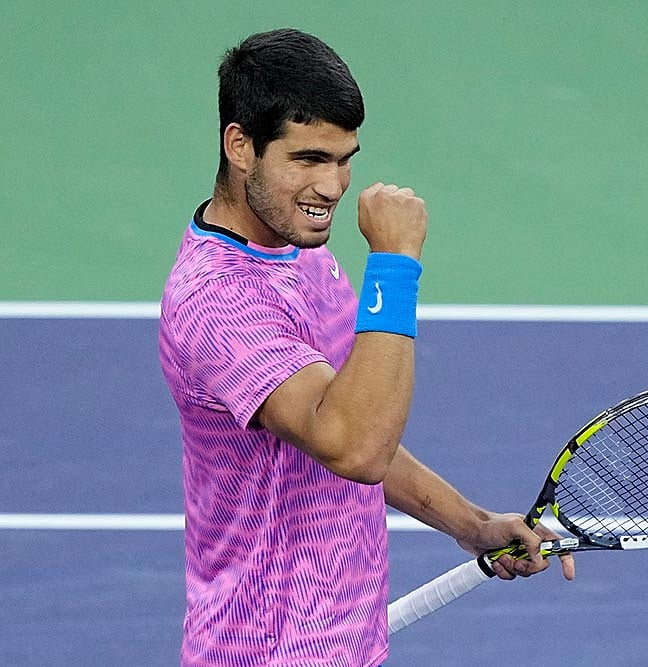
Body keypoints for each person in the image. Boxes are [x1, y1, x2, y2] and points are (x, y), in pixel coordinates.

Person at [158, 28, 573, 667]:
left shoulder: (294, 253)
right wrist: (395, 264)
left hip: (338, 643)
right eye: (308, 158)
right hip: (267, 649)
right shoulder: (218, 300)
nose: (333, 186)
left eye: (343, 157)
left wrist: (472, 524)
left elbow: (357, 426)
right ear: (240, 146)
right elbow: (354, 447)